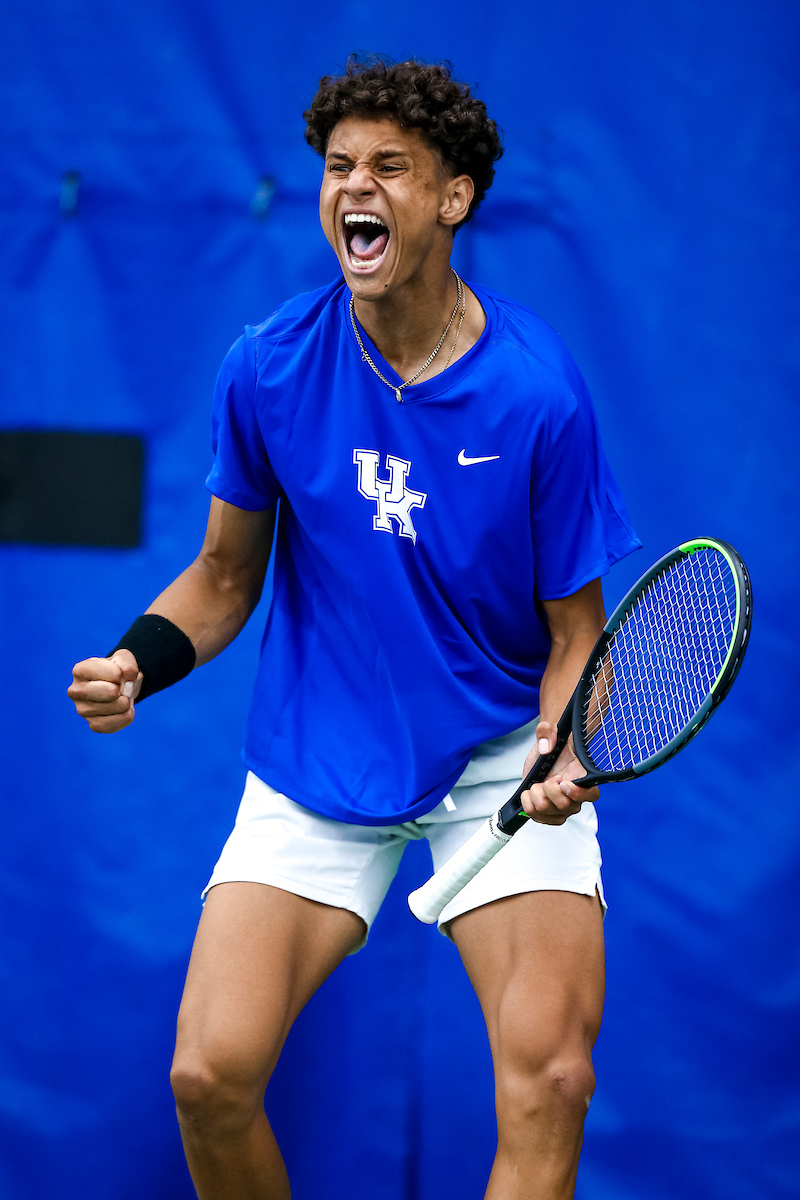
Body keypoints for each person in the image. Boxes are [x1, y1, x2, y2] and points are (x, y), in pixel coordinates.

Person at [68, 58, 640, 1200]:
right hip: (322, 750)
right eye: (337, 167)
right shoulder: (269, 366)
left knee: (550, 1080)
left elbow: (577, 635)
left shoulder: (536, 392)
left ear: (451, 198)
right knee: (207, 1074)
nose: (352, 187)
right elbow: (224, 579)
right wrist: (141, 656)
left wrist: (566, 743)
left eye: (388, 167)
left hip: (494, 754)